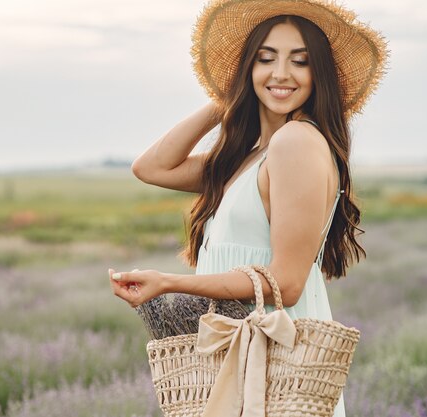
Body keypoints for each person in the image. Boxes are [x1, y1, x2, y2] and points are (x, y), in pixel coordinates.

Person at [108, 0, 388, 416]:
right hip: (240, 359)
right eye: (265, 59)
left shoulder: (296, 142)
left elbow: (286, 284)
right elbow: (151, 167)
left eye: (300, 61)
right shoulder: (250, 157)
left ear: (319, 75)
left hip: (272, 361)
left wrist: (169, 282)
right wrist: (228, 96)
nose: (280, 74)